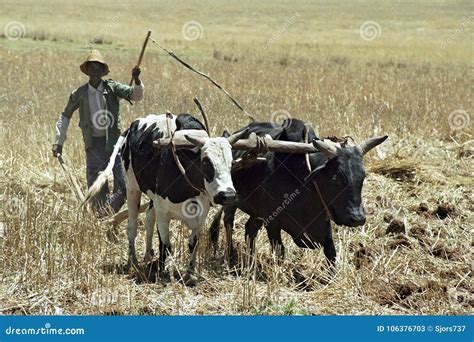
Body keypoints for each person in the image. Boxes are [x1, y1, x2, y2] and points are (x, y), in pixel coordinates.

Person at [52, 50, 144, 217]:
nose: (94, 71)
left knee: (123, 187)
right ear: (87, 71)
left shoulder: (113, 88)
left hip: (115, 146)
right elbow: (65, 115)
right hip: (93, 145)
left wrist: (136, 79)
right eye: (91, 68)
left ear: (103, 72)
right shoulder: (79, 94)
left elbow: (136, 95)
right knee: (96, 188)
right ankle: (103, 217)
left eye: (98, 68)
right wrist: (58, 142)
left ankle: (104, 215)